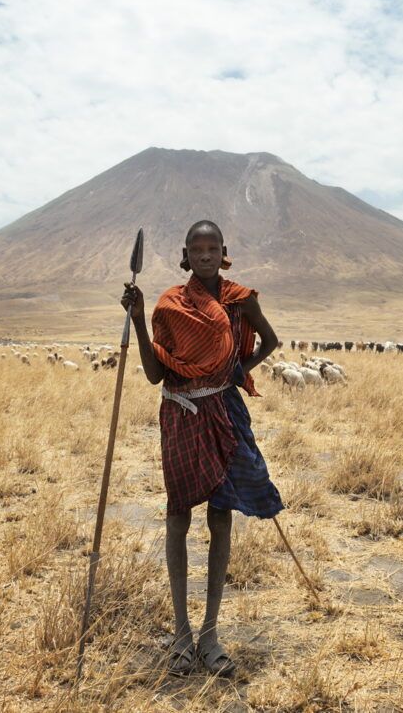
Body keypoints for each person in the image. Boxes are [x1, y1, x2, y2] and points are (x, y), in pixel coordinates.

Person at [121, 220, 283, 678]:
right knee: (178, 516)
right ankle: (180, 634)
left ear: (224, 251)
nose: (206, 254)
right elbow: (156, 374)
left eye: (213, 248)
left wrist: (239, 370)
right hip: (179, 414)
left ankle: (210, 635)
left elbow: (271, 342)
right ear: (186, 255)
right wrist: (136, 319)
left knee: (220, 514)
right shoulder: (170, 303)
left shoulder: (240, 299)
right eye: (198, 248)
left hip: (223, 413)